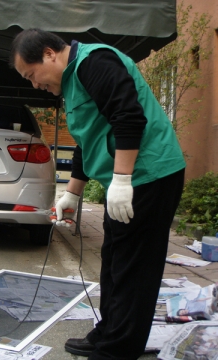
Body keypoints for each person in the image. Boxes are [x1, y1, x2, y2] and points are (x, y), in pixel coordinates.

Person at [9, 29, 186, 359]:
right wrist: (72, 195)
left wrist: (121, 179)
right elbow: (87, 141)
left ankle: (120, 347)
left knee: (135, 265)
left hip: (151, 174)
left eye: (31, 76)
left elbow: (128, 116)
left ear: (49, 54)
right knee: (114, 259)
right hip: (129, 179)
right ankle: (108, 331)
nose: (34, 85)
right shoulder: (72, 82)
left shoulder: (96, 62)